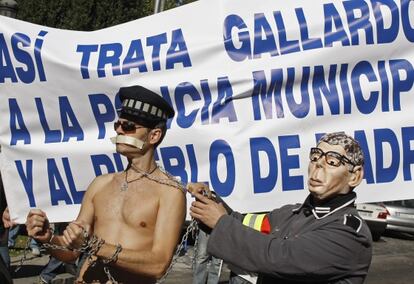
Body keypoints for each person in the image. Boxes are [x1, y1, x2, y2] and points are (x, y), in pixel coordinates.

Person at [25, 85, 186, 284]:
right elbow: (73, 252)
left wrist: (94, 246)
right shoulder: (101, 184)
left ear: (154, 136)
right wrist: (48, 239)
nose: (119, 129)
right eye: (117, 124)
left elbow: (158, 264)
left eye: (128, 127)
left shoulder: (169, 192)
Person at [189, 132, 372, 284]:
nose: (318, 164)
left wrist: (221, 222)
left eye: (332, 161)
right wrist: (212, 201)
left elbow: (279, 257)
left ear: (354, 177)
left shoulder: (350, 233)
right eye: (315, 156)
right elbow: (246, 224)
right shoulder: (291, 213)